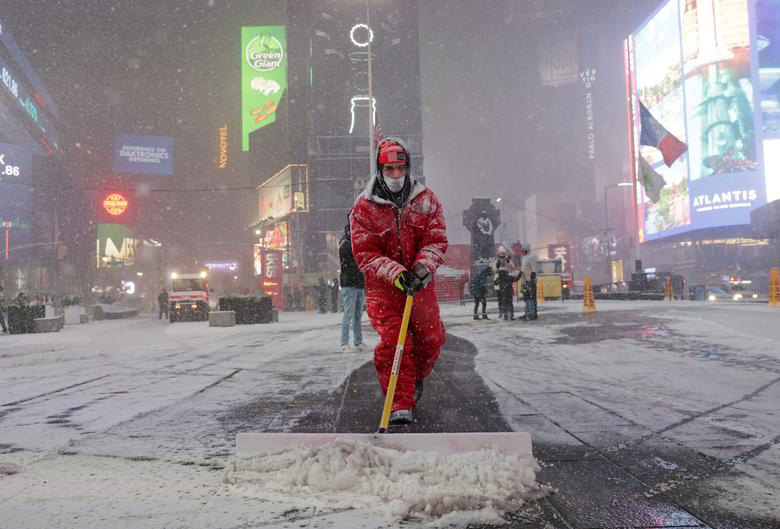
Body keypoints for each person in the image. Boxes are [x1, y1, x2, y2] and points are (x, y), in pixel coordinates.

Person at [350, 136, 448, 426]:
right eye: (389, 169)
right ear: (380, 170)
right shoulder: (363, 207)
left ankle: (413, 378)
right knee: (396, 343)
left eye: (400, 168)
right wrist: (395, 274)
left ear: (408, 168)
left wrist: (422, 267)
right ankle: (399, 403)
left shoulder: (426, 200)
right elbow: (364, 252)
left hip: (420, 286)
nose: (396, 175)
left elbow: (436, 239)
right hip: (384, 290)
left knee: (431, 339)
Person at [339, 220, 367, 352]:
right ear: (348, 231)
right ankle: (344, 343)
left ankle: (358, 341)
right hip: (349, 283)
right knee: (349, 314)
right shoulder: (346, 244)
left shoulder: (356, 243)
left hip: (359, 283)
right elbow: (354, 262)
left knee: (357, 314)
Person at [493, 249, 519, 321]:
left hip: (505, 284)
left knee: (508, 301)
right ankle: (505, 315)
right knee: (504, 301)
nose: (502, 258)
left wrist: (508, 263)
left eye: (503, 256)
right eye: (500, 256)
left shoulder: (508, 261)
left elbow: (513, 268)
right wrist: (498, 267)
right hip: (503, 284)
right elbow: (494, 271)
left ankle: (510, 315)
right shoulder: (496, 262)